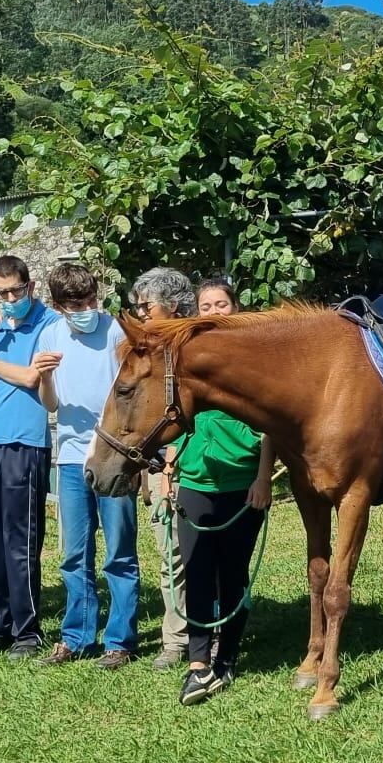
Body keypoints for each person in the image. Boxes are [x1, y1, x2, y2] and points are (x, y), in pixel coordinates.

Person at [170, 291, 275, 703]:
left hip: (242, 483)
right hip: (195, 482)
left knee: (232, 574)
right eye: (206, 306)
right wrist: (170, 465)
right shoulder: (186, 356)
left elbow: (271, 421)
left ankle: (227, 658)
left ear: (236, 309)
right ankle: (198, 663)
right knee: (196, 571)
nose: (214, 312)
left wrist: (263, 478)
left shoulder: (255, 357)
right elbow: (173, 413)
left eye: (221, 304)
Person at [35, 262, 141, 667]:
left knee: (120, 552)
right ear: (58, 306)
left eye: (90, 300)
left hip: (114, 457)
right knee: (74, 555)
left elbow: (131, 395)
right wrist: (45, 377)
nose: (85, 310)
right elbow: (50, 404)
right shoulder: (51, 335)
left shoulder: (116, 331)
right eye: (75, 305)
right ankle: (76, 637)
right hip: (70, 458)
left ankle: (120, 641)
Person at [0, 254, 61, 658]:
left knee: (20, 541)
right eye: (2, 292)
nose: (10, 299)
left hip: (26, 443)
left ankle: (27, 631)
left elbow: (30, 377)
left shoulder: (49, 324)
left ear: (31, 286)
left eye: (16, 291)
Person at [133, 265, 198, 669]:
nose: (141, 313)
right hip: (160, 468)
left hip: (198, 465)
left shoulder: (197, 349)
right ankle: (175, 640)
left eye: (147, 306)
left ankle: (210, 635)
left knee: (203, 555)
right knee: (170, 555)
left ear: (173, 306)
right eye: (138, 307)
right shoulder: (146, 352)